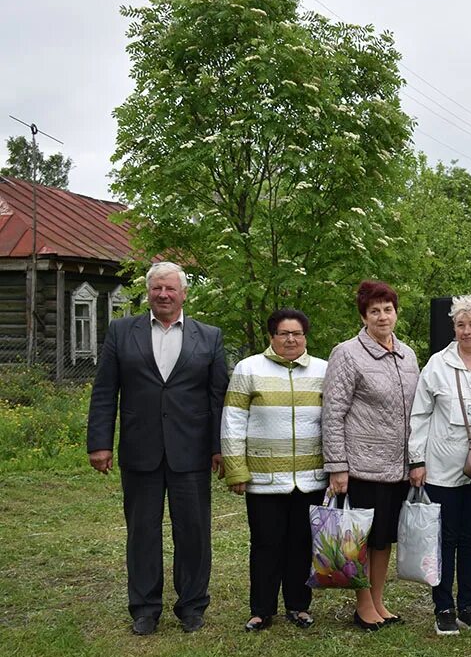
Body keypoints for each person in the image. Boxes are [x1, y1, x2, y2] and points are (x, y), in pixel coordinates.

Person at [86, 262, 229, 635]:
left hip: (192, 451)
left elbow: (218, 398)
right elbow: (104, 391)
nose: (163, 295)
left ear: (184, 294)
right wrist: (99, 442)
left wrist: (219, 447)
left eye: (170, 289)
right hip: (140, 448)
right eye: (156, 289)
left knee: (194, 531)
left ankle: (192, 606)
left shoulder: (209, 337)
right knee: (142, 531)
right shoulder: (121, 331)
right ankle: (144, 609)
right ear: (148, 293)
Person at [220, 308, 327, 632]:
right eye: (284, 333)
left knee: (302, 543)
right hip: (264, 478)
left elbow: (335, 421)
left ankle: (299, 606)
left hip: (310, 477)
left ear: (305, 337)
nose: (291, 339)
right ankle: (261, 610)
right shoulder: (248, 369)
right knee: (266, 544)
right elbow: (233, 421)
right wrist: (236, 468)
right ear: (272, 337)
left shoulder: (324, 370)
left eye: (297, 333)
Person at [322, 280, 419, 631]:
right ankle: (362, 605)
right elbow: (333, 411)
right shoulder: (347, 353)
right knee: (359, 539)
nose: (382, 316)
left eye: (388, 309)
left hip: (397, 467)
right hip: (361, 465)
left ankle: (378, 600)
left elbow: (416, 412)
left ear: (396, 312)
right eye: (374, 311)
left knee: (383, 539)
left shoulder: (407, 355)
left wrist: (415, 460)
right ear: (363, 316)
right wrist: (337, 466)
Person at [408, 295, 471, 636]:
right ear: (454, 328)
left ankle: (469, 605)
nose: (467, 331)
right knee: (445, 537)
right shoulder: (437, 364)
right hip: (442, 464)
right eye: (461, 324)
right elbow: (419, 415)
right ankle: (444, 606)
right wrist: (416, 460)